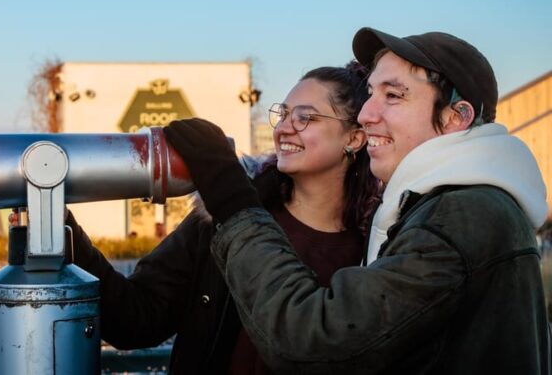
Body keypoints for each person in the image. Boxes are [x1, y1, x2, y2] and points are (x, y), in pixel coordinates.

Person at [165, 28, 550, 374]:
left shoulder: (463, 216)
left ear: (456, 116)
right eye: (370, 95)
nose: (366, 114)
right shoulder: (443, 206)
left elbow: (314, 339)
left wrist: (231, 198)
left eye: (394, 96)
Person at [66, 62, 379, 373]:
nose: (283, 128)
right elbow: (134, 318)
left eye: (305, 118)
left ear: (354, 138)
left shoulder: (378, 246)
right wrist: (60, 228)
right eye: (282, 114)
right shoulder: (221, 217)